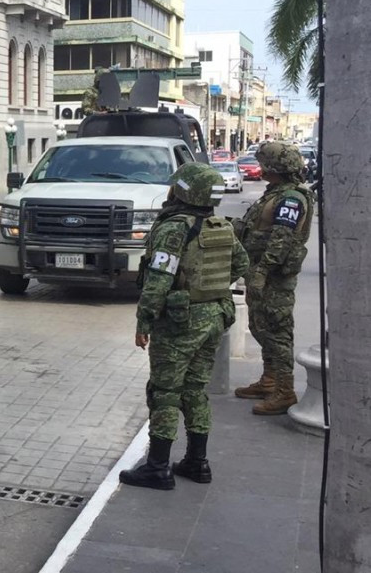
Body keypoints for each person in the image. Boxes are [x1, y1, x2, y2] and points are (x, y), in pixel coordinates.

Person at [120, 163, 249, 490]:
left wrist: (144, 320)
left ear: (183, 190)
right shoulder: (220, 225)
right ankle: (197, 462)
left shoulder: (174, 228)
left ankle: (158, 468)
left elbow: (158, 280)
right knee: (194, 389)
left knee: (164, 391)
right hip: (215, 318)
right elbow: (243, 264)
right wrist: (209, 290)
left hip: (180, 322)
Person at [233, 141, 315, 414]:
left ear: (276, 167)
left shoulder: (290, 199)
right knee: (260, 327)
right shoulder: (275, 194)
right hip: (259, 273)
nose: (261, 168)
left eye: (265, 164)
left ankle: (284, 391)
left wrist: (263, 272)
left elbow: (281, 240)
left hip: (273, 278)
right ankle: (269, 381)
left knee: (277, 333)